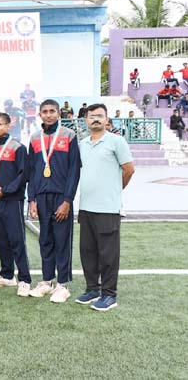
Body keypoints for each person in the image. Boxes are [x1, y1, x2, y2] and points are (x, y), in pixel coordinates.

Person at [76, 103, 134, 311]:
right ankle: (92, 289)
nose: (96, 119)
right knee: (88, 252)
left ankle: (109, 294)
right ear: (86, 120)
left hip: (108, 208)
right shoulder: (82, 144)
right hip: (86, 208)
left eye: (100, 116)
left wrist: (116, 190)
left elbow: (129, 170)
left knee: (108, 255)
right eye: (92, 116)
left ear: (107, 119)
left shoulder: (117, 141)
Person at [27, 100, 81, 303]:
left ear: (59, 114)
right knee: (45, 240)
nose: (48, 115)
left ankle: (63, 284)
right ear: (40, 115)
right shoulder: (34, 138)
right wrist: (31, 199)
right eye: (45, 112)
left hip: (61, 197)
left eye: (52, 111)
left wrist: (67, 200)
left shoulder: (69, 135)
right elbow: (31, 171)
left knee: (62, 240)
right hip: (41, 197)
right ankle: (46, 281)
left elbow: (74, 170)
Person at [0, 112, 32, 295]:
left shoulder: (18, 147)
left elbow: (23, 175)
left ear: (8, 125)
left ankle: (25, 279)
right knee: (2, 240)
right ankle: (7, 275)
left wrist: (5, 190)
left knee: (17, 240)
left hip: (12, 200)